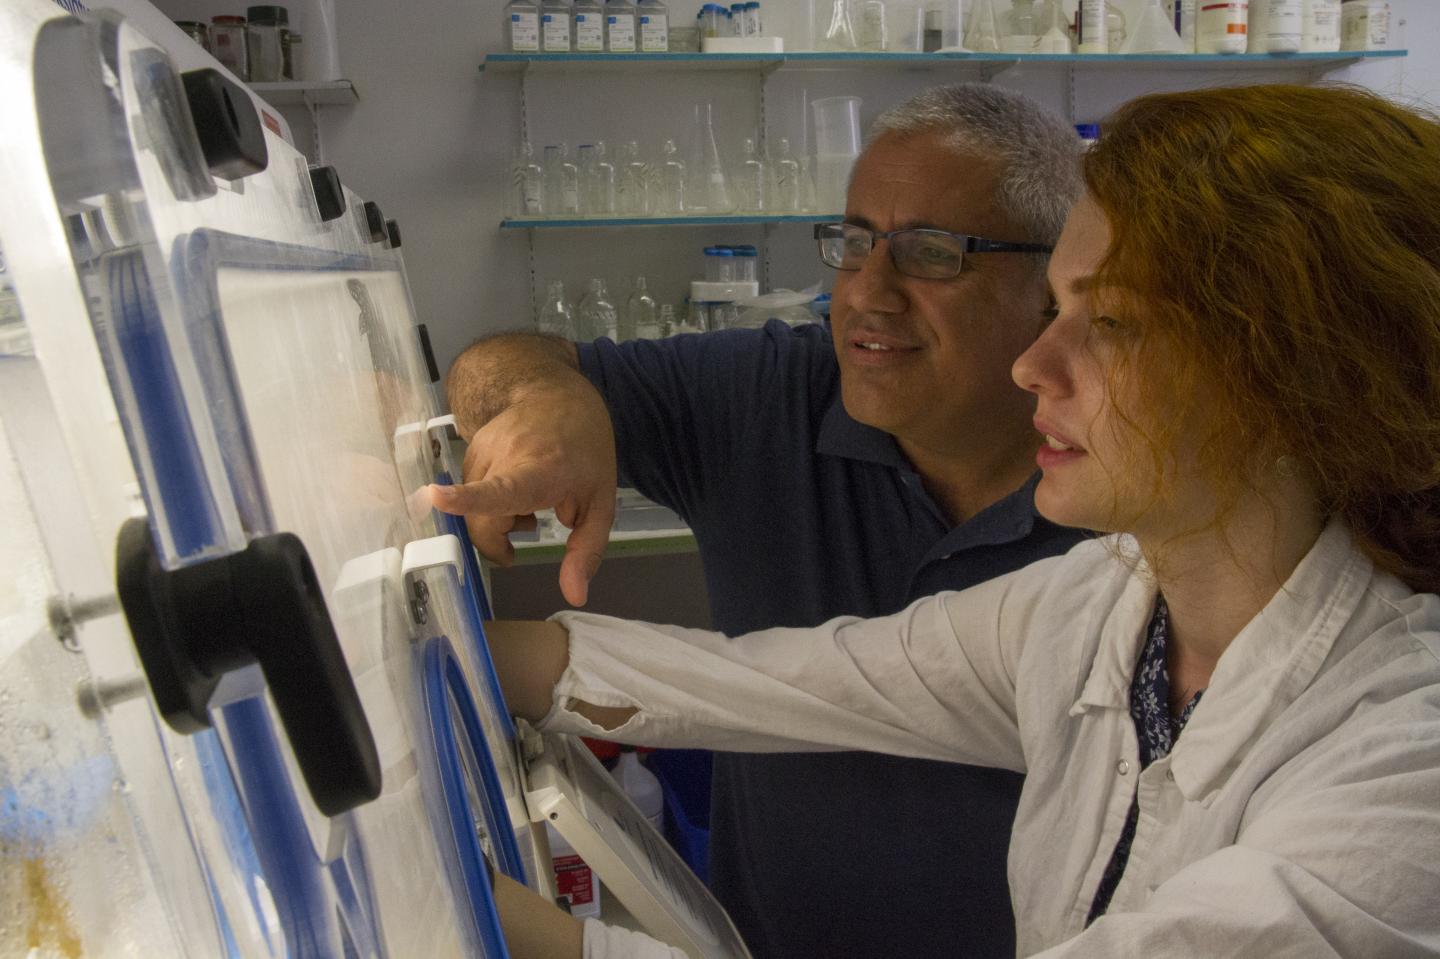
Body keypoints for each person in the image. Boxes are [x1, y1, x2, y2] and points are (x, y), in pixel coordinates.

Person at [464, 82, 1440, 957]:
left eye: (1110, 324)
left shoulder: (1403, 768)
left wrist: (544, 935)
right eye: (1059, 308)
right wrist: (425, 648)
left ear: (1301, 380)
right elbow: (772, 682)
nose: (1034, 367)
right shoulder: (1104, 605)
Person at [438, 84, 1085, 958]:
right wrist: (547, 398)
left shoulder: (1123, 497)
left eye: (932, 253)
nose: (868, 293)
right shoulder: (772, 394)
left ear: (1057, 284)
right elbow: (494, 360)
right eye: (854, 243)